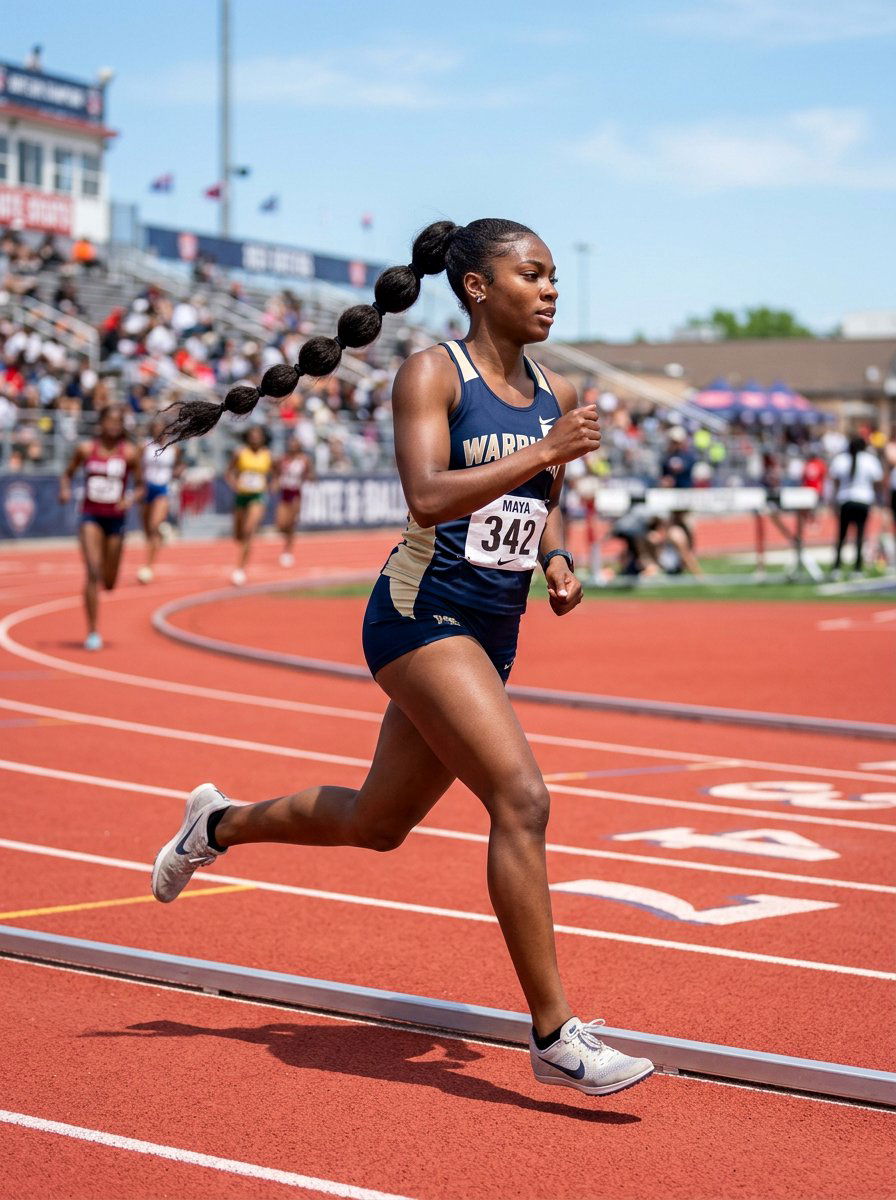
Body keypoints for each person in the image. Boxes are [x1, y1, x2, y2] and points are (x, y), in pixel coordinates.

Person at [151, 218, 654, 1098]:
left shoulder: (557, 387)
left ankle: (216, 824)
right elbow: (426, 495)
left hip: (493, 630)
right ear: (477, 287)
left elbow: (543, 504)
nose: (550, 291)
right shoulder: (433, 375)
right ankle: (553, 1035)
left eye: (554, 278)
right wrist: (544, 450)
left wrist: (559, 561)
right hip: (420, 615)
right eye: (531, 275)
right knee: (522, 798)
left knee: (378, 824)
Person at [59, 405, 143, 650]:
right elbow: (67, 474)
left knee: (109, 581)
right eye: (110, 421)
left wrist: (131, 498)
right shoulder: (86, 449)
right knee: (92, 571)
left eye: (118, 421)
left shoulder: (129, 453)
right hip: (90, 516)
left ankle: (104, 587)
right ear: (101, 423)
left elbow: (140, 486)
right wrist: (64, 489)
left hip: (116, 519)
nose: (114, 426)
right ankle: (93, 631)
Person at [137, 414, 183, 583]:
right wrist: (139, 484)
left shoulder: (173, 449)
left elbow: (179, 465)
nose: (159, 431)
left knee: (154, 524)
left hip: (163, 489)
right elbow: (137, 467)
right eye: (155, 428)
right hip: (147, 489)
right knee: (147, 531)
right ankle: (156, 542)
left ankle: (148, 565)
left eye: (161, 429)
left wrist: (178, 472)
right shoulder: (144, 446)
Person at [225, 425, 273, 585]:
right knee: (238, 535)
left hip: (257, 496)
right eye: (252, 434)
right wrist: (234, 484)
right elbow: (229, 472)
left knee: (248, 531)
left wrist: (272, 486)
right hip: (241, 496)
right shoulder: (240, 453)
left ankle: (240, 568)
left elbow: (276, 474)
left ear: (263, 437)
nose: (255, 437)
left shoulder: (268, 455)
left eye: (258, 435)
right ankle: (242, 554)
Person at [829, 434, 883, 574]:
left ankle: (837, 567)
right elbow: (878, 480)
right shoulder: (870, 460)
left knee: (841, 535)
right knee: (860, 534)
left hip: (845, 500)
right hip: (863, 500)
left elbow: (834, 482)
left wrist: (832, 501)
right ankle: (857, 568)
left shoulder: (840, 459)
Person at [275, 435, 315, 567]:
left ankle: (287, 551)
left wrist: (308, 478)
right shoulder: (283, 459)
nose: (292, 445)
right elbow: (276, 472)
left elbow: (311, 474)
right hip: (284, 492)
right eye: (291, 442)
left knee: (291, 524)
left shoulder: (304, 460)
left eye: (295, 443)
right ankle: (287, 539)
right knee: (281, 524)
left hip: (295, 493)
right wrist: (275, 482)